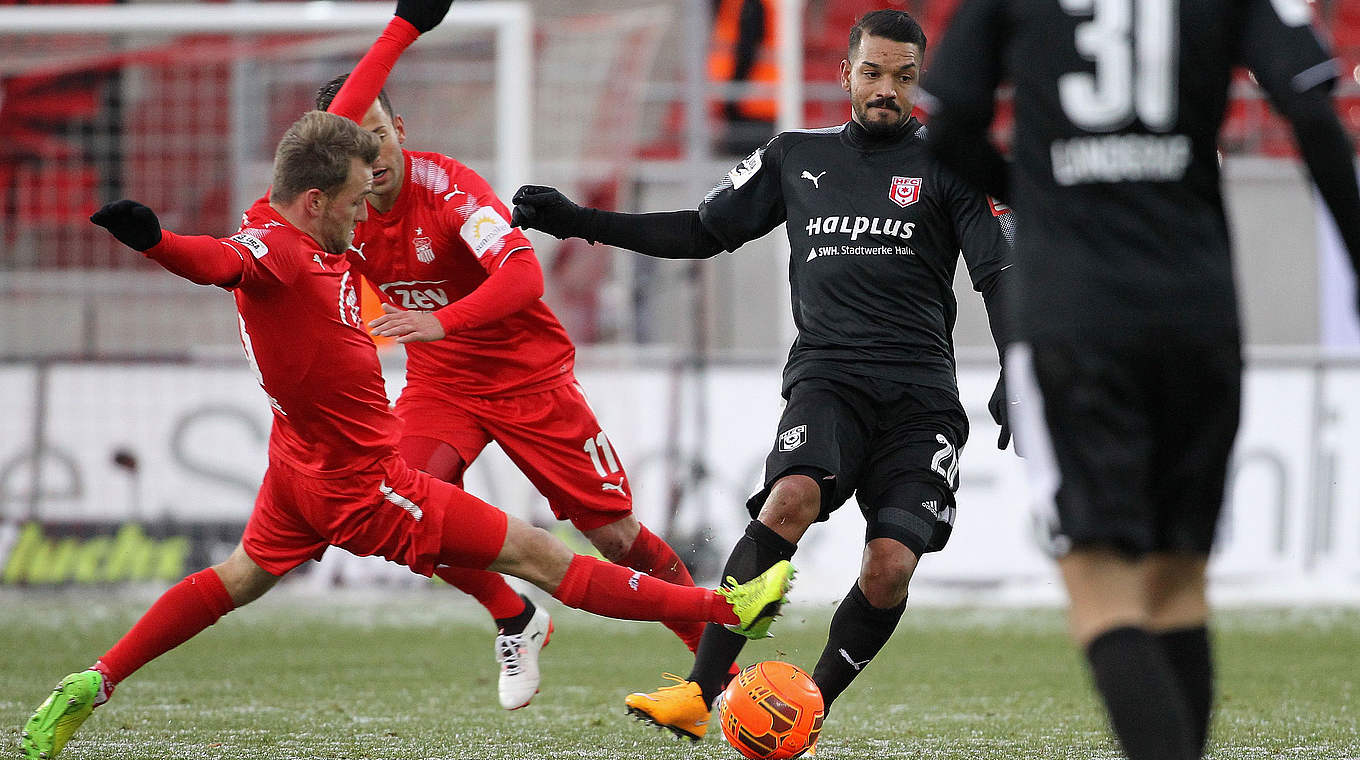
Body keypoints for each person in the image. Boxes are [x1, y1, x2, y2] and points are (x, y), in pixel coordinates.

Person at [17, 16, 796, 760]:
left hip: (474, 399)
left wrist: (404, 28)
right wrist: (156, 242)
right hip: (379, 457)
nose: (366, 215)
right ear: (322, 194)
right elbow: (218, 263)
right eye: (354, 200)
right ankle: (705, 614)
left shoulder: (377, 201)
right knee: (527, 551)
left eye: (377, 160)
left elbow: (519, 271)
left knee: (608, 539)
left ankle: (96, 678)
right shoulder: (293, 249)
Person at [512, 9, 1015, 743]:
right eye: (872, 73)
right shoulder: (794, 156)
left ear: (919, 84)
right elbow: (701, 231)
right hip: (829, 379)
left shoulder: (951, 164)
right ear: (845, 74)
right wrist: (581, 220)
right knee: (790, 500)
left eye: (903, 78)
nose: (886, 90)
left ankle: (804, 706)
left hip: (921, 399)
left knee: (889, 568)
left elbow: (999, 273)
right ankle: (697, 690)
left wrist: (1018, 364)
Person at [922, 0, 1360, 757]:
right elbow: (1315, 114)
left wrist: (1034, 188)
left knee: (1100, 586)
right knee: (1178, 583)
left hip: (1077, 309)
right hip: (1199, 308)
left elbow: (949, 124)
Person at [307, 41, 718, 710]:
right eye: (357, 148)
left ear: (399, 129)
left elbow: (523, 276)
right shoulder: (338, 216)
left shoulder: (448, 190)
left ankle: (717, 671)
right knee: (400, 513)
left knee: (615, 539)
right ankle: (514, 614)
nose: (374, 157)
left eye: (379, 135)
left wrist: (442, 322)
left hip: (530, 380)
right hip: (441, 388)